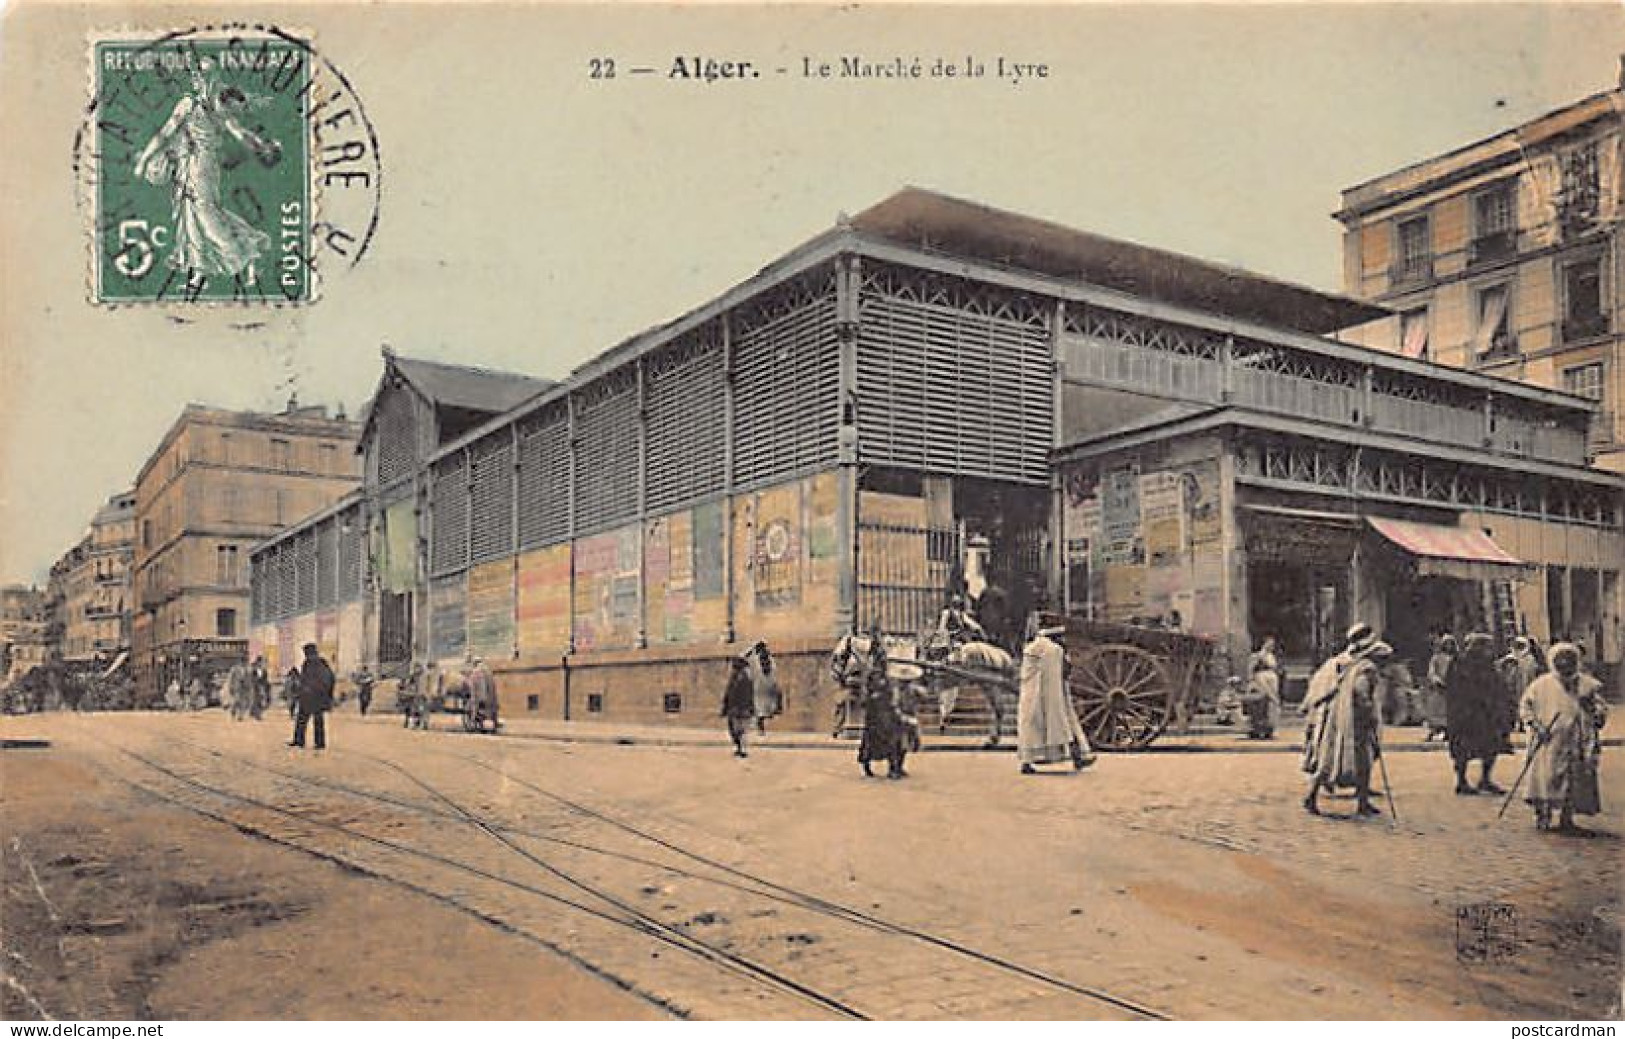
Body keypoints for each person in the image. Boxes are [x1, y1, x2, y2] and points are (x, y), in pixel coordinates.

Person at [132, 58, 280, 284]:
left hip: (201, 167)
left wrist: (260, 146)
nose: (201, 80)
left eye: (205, 75)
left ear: (211, 77)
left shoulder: (206, 104)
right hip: (191, 164)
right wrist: (145, 159)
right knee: (190, 213)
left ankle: (242, 257)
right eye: (199, 75)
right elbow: (167, 133)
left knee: (205, 214)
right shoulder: (201, 103)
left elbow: (236, 131)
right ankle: (199, 270)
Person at [1518, 643, 1607, 833]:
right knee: (1546, 778)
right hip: (1549, 739)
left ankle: (1567, 818)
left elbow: (1600, 710)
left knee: (1573, 778)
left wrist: (1591, 709)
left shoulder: (1587, 685)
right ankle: (1543, 814)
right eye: (1561, 661)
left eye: (1569, 660)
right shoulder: (1541, 685)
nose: (1565, 664)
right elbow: (1526, 707)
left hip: (1577, 739)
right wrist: (1536, 726)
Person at [1303, 640, 1389, 817]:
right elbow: (1360, 691)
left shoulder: (1354, 666)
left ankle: (1360, 801)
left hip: (1343, 719)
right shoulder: (1367, 669)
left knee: (1330, 758)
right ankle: (1359, 802)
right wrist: (1369, 712)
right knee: (1362, 761)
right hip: (1356, 722)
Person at [1016, 615, 1094, 775]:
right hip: (1051, 693)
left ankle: (1027, 761)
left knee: (1030, 726)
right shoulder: (1053, 650)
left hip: (1032, 692)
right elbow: (1063, 671)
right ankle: (1078, 757)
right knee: (1066, 723)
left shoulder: (1034, 647)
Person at [1447, 632, 1505, 795]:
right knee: (1463, 749)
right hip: (1465, 714)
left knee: (1491, 747)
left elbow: (1496, 686)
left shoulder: (1489, 665)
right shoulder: (1460, 663)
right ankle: (1461, 781)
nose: (1489, 650)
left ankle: (1485, 779)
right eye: (1486, 646)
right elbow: (1456, 689)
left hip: (1486, 714)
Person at [856, 637, 909, 779]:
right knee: (874, 741)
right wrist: (874, 696)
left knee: (896, 738)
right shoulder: (871, 674)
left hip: (887, 710)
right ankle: (871, 767)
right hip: (875, 713)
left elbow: (889, 690)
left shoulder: (886, 675)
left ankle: (896, 767)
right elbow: (866, 694)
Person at [829, 623, 882, 738]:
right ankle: (840, 727)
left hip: (859, 674)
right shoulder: (851, 640)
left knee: (849, 701)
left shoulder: (853, 640)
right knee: (847, 700)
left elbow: (838, 656)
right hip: (857, 674)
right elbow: (838, 657)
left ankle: (842, 727)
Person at [288, 643, 335, 750]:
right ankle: (320, 743)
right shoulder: (323, 663)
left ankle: (299, 741)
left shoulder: (309, 663)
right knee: (318, 720)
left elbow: (305, 680)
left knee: (302, 719)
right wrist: (328, 695)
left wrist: (303, 690)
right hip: (319, 696)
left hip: (309, 696)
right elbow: (331, 678)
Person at [1244, 636, 1282, 740]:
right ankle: (1257, 729)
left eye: (1272, 644)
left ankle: (1270, 729)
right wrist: (1251, 682)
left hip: (1272, 679)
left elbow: (1276, 668)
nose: (1271, 646)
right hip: (1262, 679)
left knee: (1272, 705)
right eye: (1268, 643)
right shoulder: (1257, 656)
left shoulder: (1272, 656)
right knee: (1261, 704)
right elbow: (1251, 670)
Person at [721, 657, 756, 758]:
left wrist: (750, 708)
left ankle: (742, 749)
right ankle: (739, 747)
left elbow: (749, 696)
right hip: (735, 709)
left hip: (741, 709)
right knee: (734, 730)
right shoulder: (734, 679)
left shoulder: (746, 680)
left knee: (741, 729)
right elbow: (728, 694)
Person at [744, 641, 781, 735]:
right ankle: (760, 727)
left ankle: (760, 728)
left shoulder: (755, 659)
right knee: (764, 708)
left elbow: (743, 657)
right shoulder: (769, 658)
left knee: (759, 708)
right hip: (767, 683)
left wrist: (750, 650)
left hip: (760, 684)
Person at [466, 656, 498, 732]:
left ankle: (473, 724)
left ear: (475, 663)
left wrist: (475, 698)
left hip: (480, 697)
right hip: (491, 697)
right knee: (491, 711)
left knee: (474, 709)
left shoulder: (475, 672)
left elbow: (473, 687)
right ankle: (492, 726)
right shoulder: (488, 671)